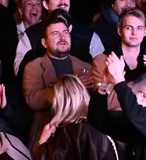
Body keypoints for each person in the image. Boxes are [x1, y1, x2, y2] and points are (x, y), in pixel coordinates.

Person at [23, 10, 93, 142]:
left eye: (65, 33)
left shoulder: (85, 66)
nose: (62, 37)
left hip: (82, 132)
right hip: (49, 130)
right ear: (44, 43)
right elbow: (32, 101)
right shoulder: (34, 67)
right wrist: (71, 85)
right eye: (56, 34)